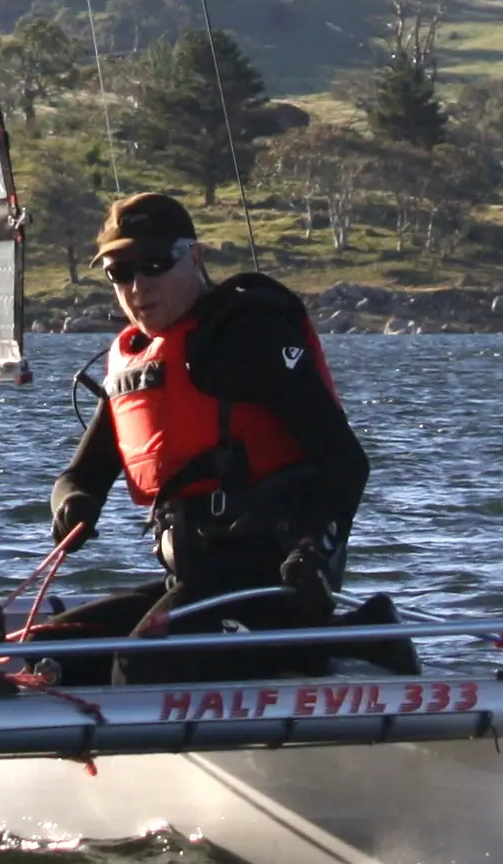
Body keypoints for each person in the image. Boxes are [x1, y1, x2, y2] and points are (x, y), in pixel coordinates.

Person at [39, 191, 393, 680]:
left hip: (273, 575)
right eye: (119, 273)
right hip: (194, 576)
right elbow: (82, 474)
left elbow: (345, 459)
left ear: (195, 258)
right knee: (46, 657)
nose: (138, 286)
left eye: (155, 264)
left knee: (140, 668)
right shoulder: (137, 360)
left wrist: (314, 547)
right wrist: (73, 505)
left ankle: (366, 640)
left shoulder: (246, 335)